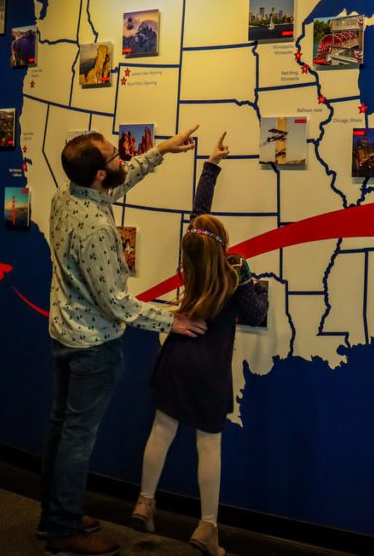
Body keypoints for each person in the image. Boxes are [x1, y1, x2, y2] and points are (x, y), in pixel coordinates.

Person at [41, 126, 207, 556]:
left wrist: (162, 150)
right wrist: (171, 320)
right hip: (92, 348)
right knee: (78, 437)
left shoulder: (68, 195)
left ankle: (55, 515)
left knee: (62, 429)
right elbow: (116, 303)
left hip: (64, 334)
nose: (121, 159)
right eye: (114, 157)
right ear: (98, 174)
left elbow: (121, 178)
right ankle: (63, 531)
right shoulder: (96, 227)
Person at [132, 132, 269, 556]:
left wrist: (210, 165)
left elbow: (199, 218)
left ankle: (145, 501)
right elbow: (257, 313)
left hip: (174, 359)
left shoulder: (191, 259)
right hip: (209, 372)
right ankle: (207, 528)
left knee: (161, 430)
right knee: (208, 445)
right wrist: (252, 278)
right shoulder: (232, 276)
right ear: (224, 248)